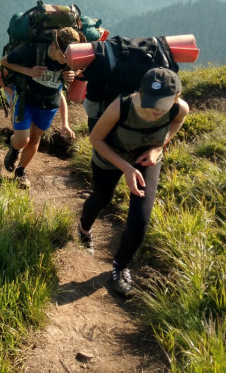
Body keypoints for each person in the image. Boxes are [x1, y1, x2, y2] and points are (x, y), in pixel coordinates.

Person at [77, 68, 189, 296]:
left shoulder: (179, 108)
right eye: (151, 101)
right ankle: (83, 230)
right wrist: (126, 168)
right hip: (111, 155)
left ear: (176, 97)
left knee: (140, 219)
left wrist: (158, 147)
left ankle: (120, 266)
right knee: (102, 198)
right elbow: (96, 139)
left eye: (164, 103)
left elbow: (177, 122)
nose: (156, 109)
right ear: (141, 92)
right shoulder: (122, 106)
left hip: (147, 158)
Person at [0, 27, 82, 188]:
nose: (65, 60)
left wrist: (73, 73)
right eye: (62, 55)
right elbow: (5, 60)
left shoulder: (70, 61)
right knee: (22, 139)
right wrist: (28, 71)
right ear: (53, 45)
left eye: (69, 57)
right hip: (25, 100)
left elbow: (79, 70)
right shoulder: (36, 52)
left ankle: (20, 172)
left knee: (36, 138)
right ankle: (14, 148)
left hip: (48, 106)